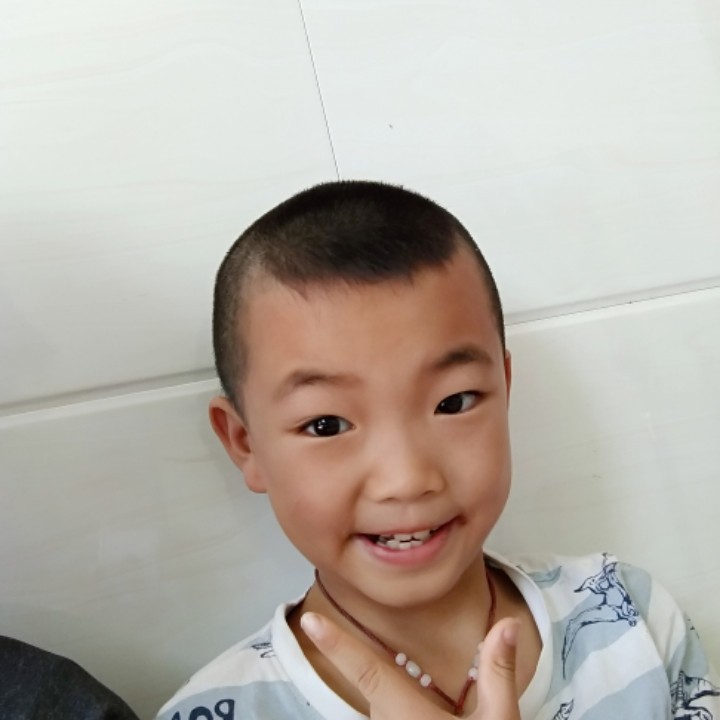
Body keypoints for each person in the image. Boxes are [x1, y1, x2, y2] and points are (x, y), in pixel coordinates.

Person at [155, 181, 719, 720]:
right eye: (327, 424)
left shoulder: (631, 618)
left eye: (453, 403)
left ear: (504, 388)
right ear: (245, 443)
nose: (405, 478)